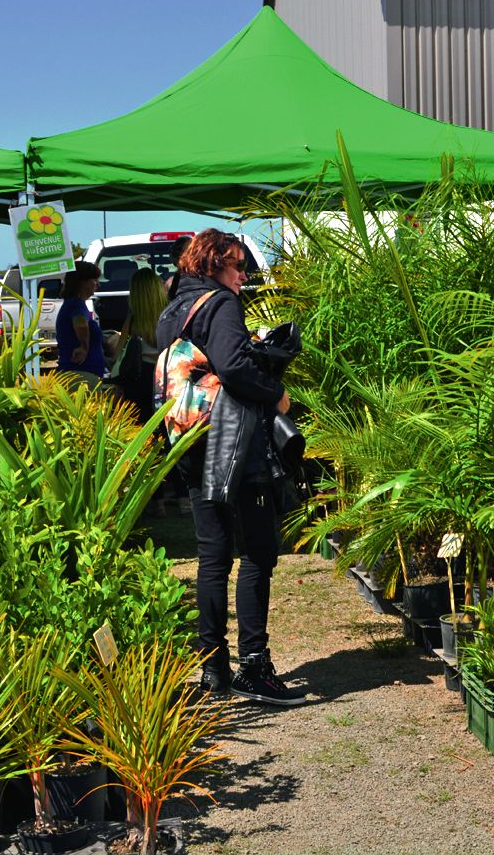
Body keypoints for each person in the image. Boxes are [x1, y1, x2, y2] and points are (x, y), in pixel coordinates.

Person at [156, 229, 304, 706]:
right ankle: (255, 666)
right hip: (233, 446)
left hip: (194, 444)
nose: (243, 276)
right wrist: (276, 395)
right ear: (216, 264)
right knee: (259, 551)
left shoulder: (173, 309)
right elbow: (236, 368)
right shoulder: (220, 304)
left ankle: (213, 667)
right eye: (237, 266)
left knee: (213, 555)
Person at [115, 266, 168, 422]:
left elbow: (119, 354)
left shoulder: (132, 320)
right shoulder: (170, 316)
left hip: (138, 380)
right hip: (166, 378)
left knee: (140, 428)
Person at [55, 262, 107, 386]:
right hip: (81, 376)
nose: (98, 284)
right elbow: (80, 323)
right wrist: (84, 346)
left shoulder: (72, 304)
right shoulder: (76, 305)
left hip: (77, 375)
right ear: (82, 282)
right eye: (94, 280)